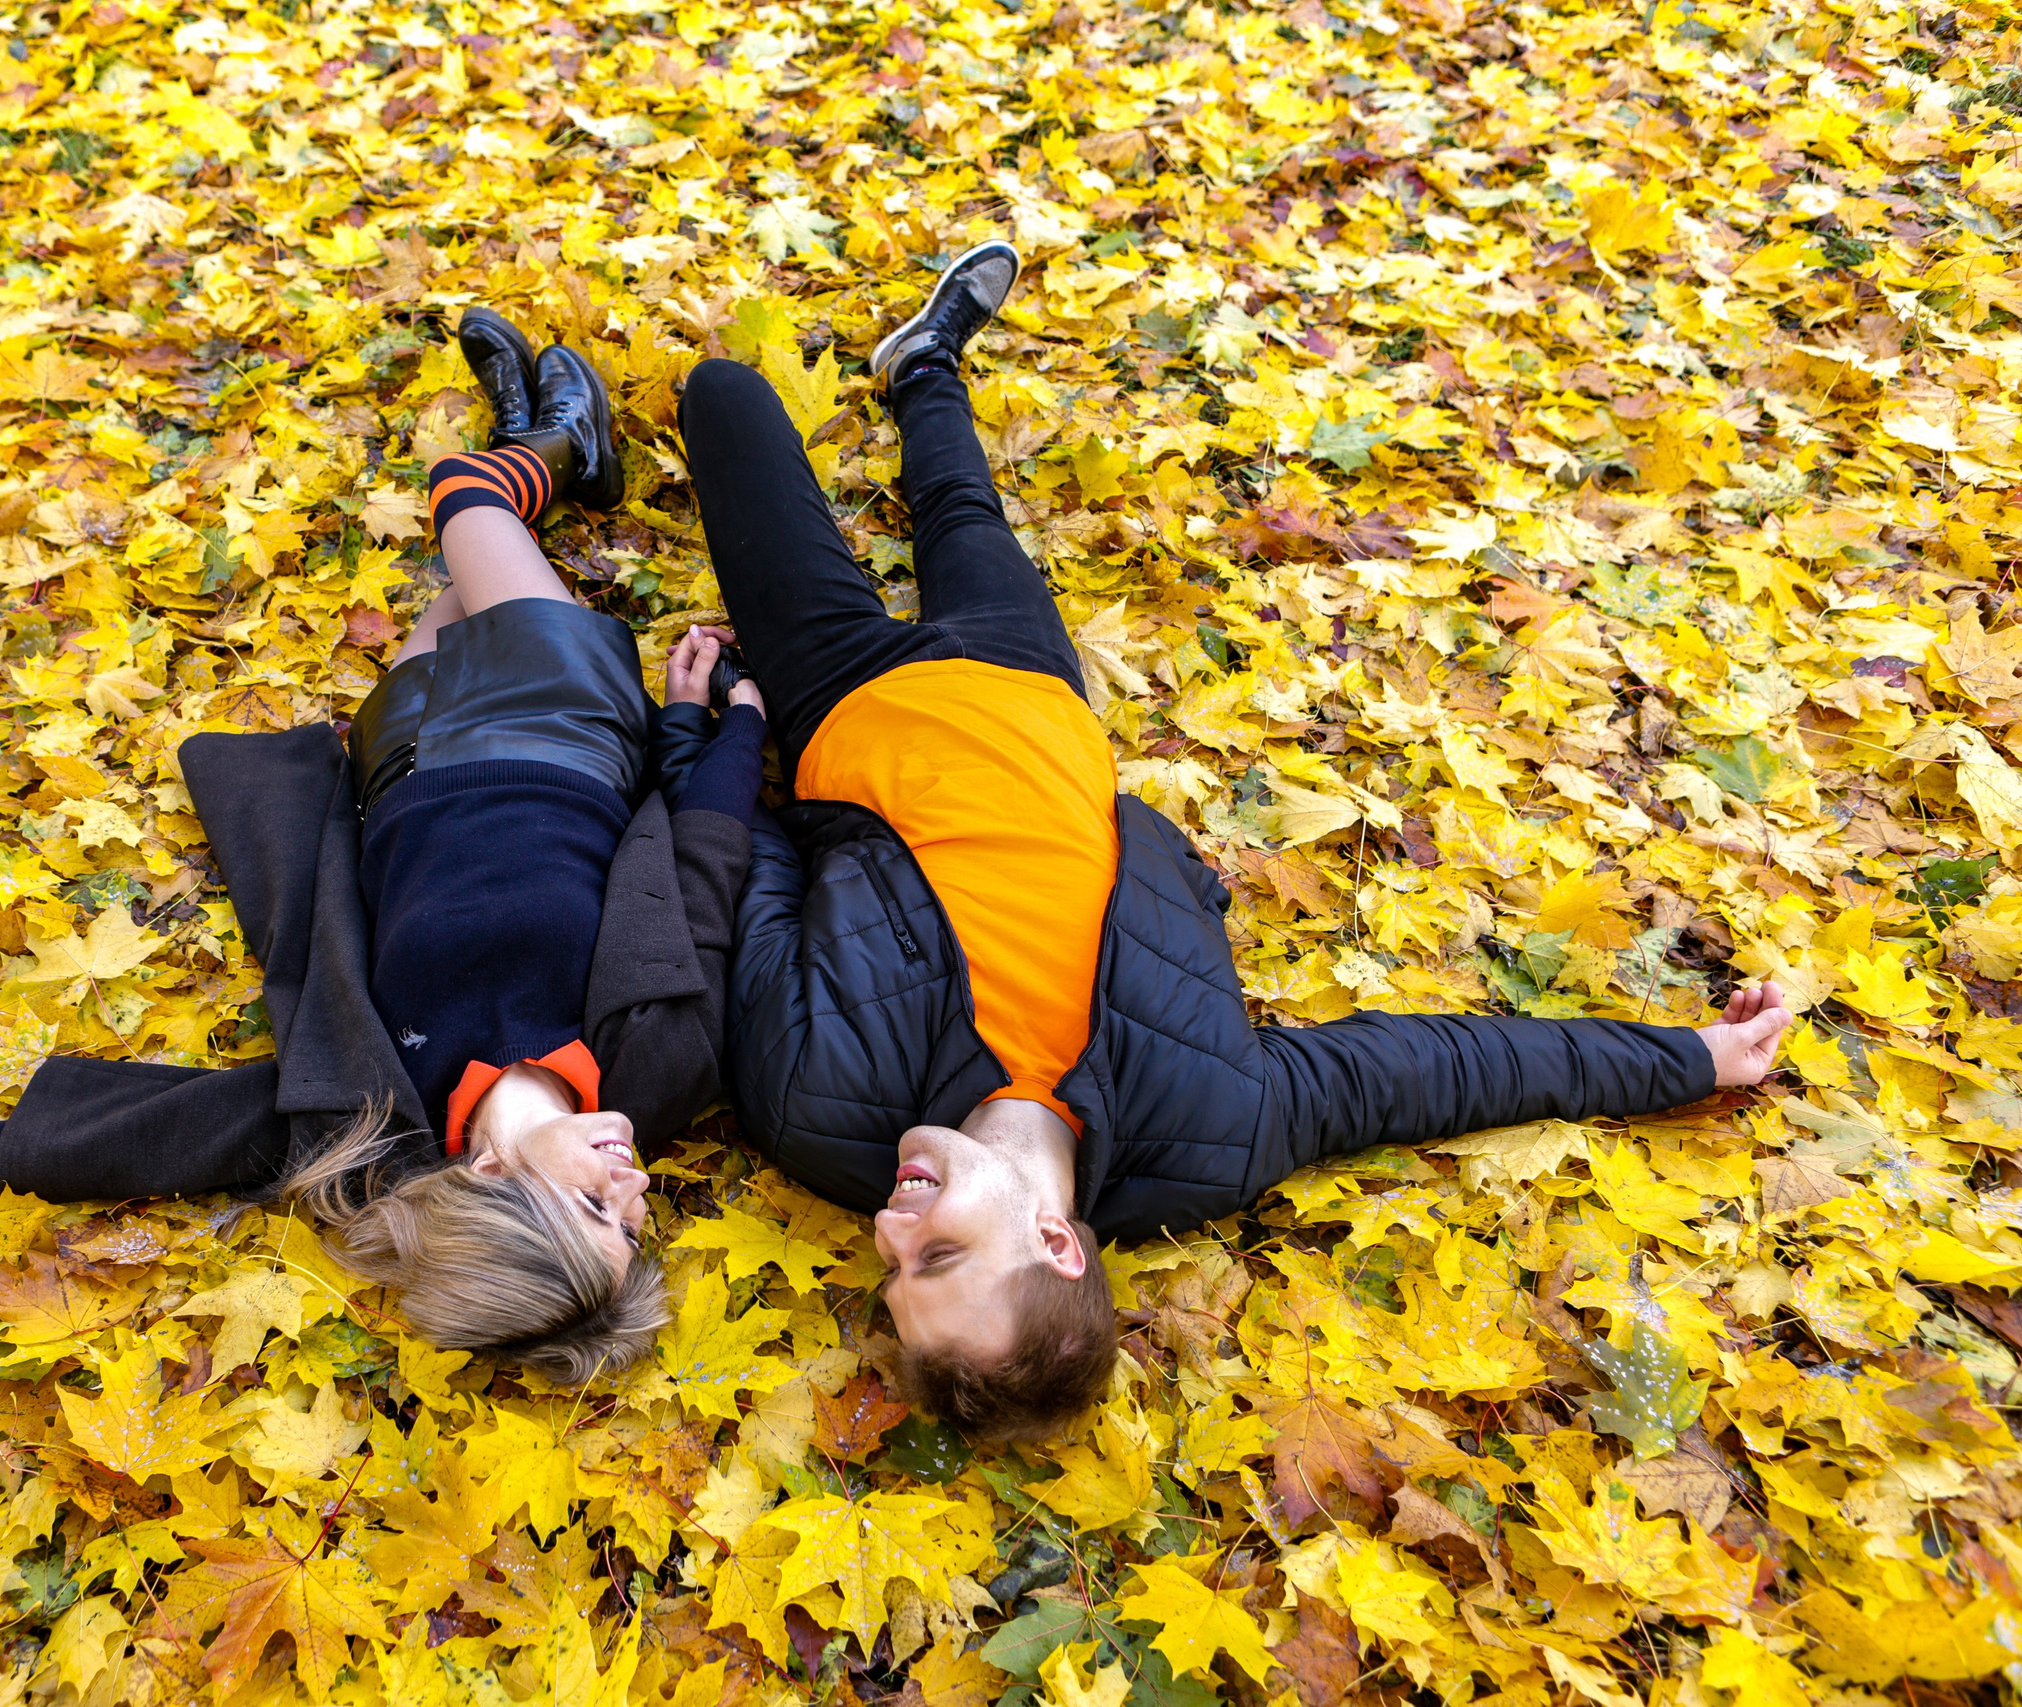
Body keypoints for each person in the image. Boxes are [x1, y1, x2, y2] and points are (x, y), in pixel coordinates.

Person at [683, 241, 1794, 1440]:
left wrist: (727, 731)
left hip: (844, 697)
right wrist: (1686, 1062)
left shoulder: (814, 1110)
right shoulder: (1209, 1130)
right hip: (1031, 689)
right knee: (961, 514)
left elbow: (755, 883)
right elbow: (1433, 1075)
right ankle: (925, 366)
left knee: (723, 399)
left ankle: (900, 389)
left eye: (892, 1276)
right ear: (1057, 1240)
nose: (892, 1234)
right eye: (936, 1257)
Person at [0, 311, 770, 1382]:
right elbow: (704, 874)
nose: (633, 1190)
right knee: (465, 503)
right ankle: (562, 437)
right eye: (632, 1223)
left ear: (488, 1173)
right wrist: (715, 732)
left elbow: (129, 1142)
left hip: (407, 753)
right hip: (567, 732)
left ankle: (557, 450)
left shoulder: (363, 1123)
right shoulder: (659, 1070)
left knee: (464, 566)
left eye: (594, 1207)